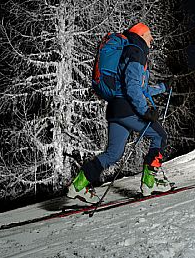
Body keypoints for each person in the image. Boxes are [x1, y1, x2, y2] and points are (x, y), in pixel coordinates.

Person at [67, 22, 173, 203]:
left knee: (113, 154)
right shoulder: (136, 51)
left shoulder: (129, 51)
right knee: (160, 136)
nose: (152, 39)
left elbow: (142, 88)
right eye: (149, 35)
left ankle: (78, 185)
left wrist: (163, 87)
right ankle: (150, 182)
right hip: (128, 108)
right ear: (141, 35)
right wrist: (144, 111)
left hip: (115, 110)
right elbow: (132, 87)